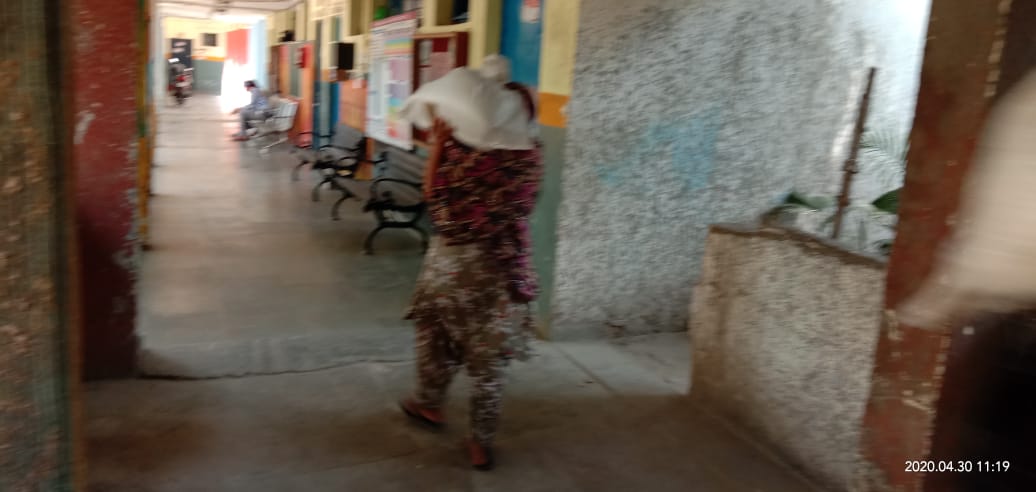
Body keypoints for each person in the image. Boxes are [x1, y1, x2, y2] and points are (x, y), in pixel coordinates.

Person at [397, 56, 542, 471]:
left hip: (451, 267)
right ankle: (481, 441)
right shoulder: (531, 156)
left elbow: (435, 199)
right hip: (503, 268)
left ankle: (429, 402)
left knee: (435, 336)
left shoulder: (459, 152)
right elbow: (523, 204)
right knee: (489, 356)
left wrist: (439, 145)